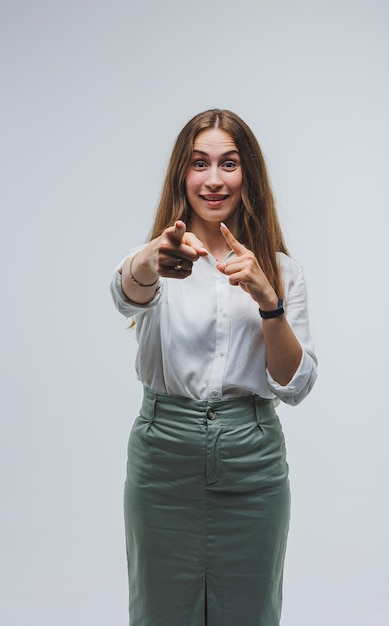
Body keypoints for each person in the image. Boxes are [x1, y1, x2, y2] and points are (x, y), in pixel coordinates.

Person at [110, 108, 317, 626]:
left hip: (253, 460)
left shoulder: (281, 269)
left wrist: (269, 301)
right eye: (199, 163)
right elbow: (123, 293)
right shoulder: (158, 257)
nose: (214, 179)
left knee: (250, 614)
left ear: (248, 175)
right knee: (159, 613)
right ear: (183, 173)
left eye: (229, 163)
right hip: (164, 457)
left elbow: (296, 386)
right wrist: (150, 259)